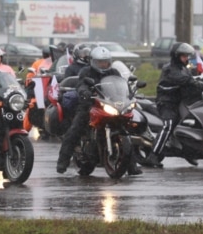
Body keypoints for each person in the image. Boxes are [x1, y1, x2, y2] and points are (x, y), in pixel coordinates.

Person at [56, 46, 142, 176]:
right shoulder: (86, 71)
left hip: (110, 104)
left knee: (126, 129)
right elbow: (81, 84)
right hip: (90, 105)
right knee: (75, 129)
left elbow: (122, 86)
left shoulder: (114, 72)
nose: (103, 64)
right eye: (100, 62)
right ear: (93, 61)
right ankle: (63, 162)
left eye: (106, 62)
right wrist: (84, 91)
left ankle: (131, 166)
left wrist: (129, 95)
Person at [145, 42, 203, 169]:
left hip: (180, 102)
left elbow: (190, 78)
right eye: (184, 56)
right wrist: (193, 81)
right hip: (167, 102)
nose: (186, 58)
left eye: (187, 56)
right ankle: (153, 155)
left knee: (189, 125)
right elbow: (182, 79)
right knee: (169, 124)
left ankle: (188, 151)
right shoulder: (170, 69)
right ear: (176, 56)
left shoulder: (184, 68)